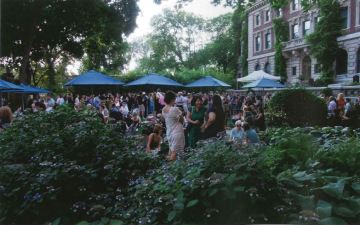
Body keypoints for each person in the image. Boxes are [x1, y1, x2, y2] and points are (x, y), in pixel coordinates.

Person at [162, 91, 185, 161]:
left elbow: (164, 120)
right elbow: (182, 120)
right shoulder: (175, 109)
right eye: (175, 98)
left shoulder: (163, 109)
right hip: (177, 132)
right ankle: (169, 170)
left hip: (169, 132)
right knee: (174, 154)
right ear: (172, 99)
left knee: (171, 152)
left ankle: (166, 168)